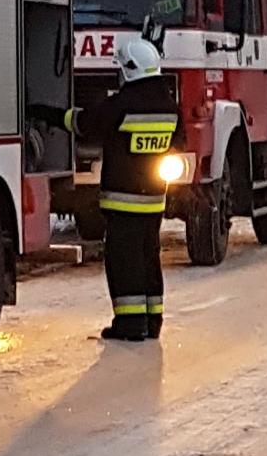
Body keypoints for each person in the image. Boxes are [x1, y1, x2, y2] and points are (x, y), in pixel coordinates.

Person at [35, 39, 180, 342]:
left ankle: (129, 325)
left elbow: (84, 123)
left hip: (122, 202)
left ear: (128, 70)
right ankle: (152, 322)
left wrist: (46, 113)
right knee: (149, 259)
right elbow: (180, 143)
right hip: (154, 200)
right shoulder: (170, 108)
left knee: (124, 262)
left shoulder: (123, 105)